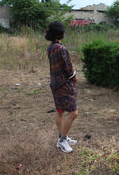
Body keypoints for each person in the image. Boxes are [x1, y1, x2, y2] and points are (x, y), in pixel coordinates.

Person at [46, 21, 78, 153]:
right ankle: (62, 140)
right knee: (73, 113)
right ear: (61, 33)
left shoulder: (51, 47)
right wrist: (75, 79)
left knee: (60, 111)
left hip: (55, 84)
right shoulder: (61, 49)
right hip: (64, 86)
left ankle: (62, 136)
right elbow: (68, 69)